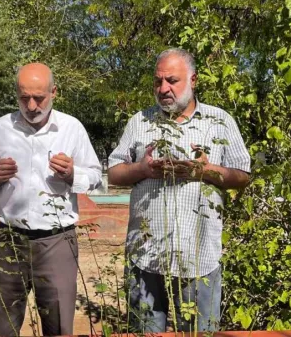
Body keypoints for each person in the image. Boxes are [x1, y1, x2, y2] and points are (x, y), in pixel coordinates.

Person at [108, 49, 251, 332]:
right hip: (145, 254)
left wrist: (205, 171)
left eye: (172, 81)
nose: (163, 89)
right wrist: (143, 170)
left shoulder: (219, 121)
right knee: (145, 331)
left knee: (199, 332)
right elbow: (114, 173)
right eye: (158, 82)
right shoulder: (140, 121)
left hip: (198, 255)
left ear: (193, 79)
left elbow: (243, 175)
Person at [0, 63, 102, 336]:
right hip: (8, 239)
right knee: (3, 326)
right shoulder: (0, 128)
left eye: (39, 98)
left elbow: (96, 176)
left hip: (57, 240)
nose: (31, 105)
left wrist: (72, 174)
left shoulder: (72, 128)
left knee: (58, 325)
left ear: (54, 92)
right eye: (24, 98)